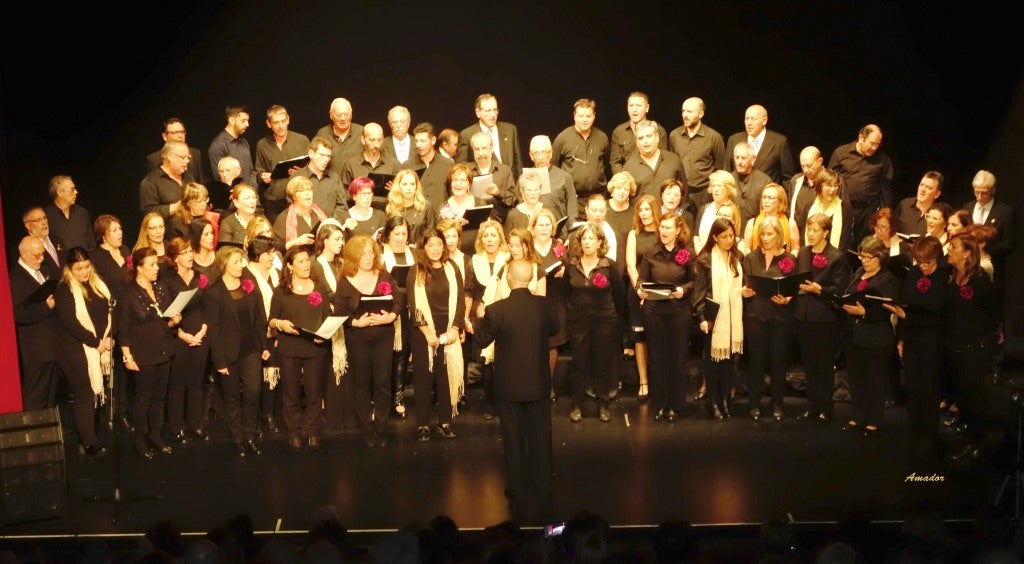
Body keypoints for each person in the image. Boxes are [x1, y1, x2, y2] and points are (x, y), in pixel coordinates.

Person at [474, 259, 557, 512]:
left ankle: (517, 489)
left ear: (509, 278)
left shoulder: (497, 309)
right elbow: (555, 329)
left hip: (508, 388)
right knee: (540, 437)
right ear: (531, 279)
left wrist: (476, 321)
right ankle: (543, 486)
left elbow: (480, 340)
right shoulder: (545, 307)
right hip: (538, 384)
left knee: (512, 439)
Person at [332, 235, 400, 447]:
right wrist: (355, 323)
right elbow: (340, 315)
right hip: (358, 339)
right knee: (361, 383)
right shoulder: (345, 282)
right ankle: (367, 429)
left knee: (382, 382)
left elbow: (398, 302)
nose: (369, 258)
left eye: (371, 253)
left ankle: (381, 426)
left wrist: (391, 316)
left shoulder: (385, 277)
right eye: (364, 254)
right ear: (353, 256)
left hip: (383, 336)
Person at [883, 236, 948, 459]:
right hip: (911, 338)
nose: (923, 266)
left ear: (937, 258)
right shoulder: (913, 274)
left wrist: (907, 315)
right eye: (920, 261)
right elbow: (904, 304)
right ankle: (913, 433)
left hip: (932, 340)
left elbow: (938, 312)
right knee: (912, 387)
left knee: (928, 389)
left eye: (927, 262)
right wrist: (901, 338)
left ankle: (929, 437)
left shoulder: (943, 278)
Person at [203, 245, 270, 458]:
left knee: (253, 392)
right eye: (235, 262)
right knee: (232, 398)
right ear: (224, 265)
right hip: (229, 353)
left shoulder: (248, 286)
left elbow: (260, 318)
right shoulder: (215, 292)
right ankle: (238, 438)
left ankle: (250, 435)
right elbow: (213, 330)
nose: (240, 265)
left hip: (251, 350)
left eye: (241, 261)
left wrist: (263, 347)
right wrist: (219, 361)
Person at [268, 246, 333, 452]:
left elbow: (326, 317)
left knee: (314, 392)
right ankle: (294, 432)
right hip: (290, 347)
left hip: (314, 347)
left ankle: (312, 431)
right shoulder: (280, 291)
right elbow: (271, 320)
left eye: (307, 260)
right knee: (291, 393)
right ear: (289, 266)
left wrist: (325, 335)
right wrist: (281, 324)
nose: (306, 265)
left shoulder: (319, 287)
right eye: (301, 261)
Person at [119, 247, 182, 459]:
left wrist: (174, 320)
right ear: (139, 268)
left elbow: (164, 319)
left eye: (157, 264)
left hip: (164, 349)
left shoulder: (161, 287)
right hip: (143, 353)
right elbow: (124, 329)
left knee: (159, 397)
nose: (157, 268)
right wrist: (127, 357)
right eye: (152, 265)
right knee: (143, 398)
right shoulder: (128, 293)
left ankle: (156, 435)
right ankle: (140, 439)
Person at [53, 247, 113, 460]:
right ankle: (89, 442)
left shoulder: (98, 284)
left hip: (98, 345)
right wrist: (95, 342)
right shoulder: (64, 289)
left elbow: (110, 312)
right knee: (85, 394)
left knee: (93, 393)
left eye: (87, 266)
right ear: (70, 269)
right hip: (74, 349)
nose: (84, 272)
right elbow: (71, 323)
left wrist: (108, 337)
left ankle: (87, 435)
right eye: (79, 269)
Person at [943, 233, 999, 464]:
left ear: (967, 252)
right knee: (961, 395)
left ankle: (982, 444)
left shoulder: (979, 280)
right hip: (954, 346)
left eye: (954, 246)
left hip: (975, 348)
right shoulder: (950, 277)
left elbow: (993, 312)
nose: (949, 249)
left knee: (974, 396)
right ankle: (970, 440)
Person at [406, 228, 466, 441]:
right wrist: (427, 333)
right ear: (423, 247)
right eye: (430, 245)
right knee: (424, 378)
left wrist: (455, 329)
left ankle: (445, 421)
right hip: (423, 330)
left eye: (439, 244)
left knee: (445, 376)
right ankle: (423, 424)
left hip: (448, 327)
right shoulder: (416, 270)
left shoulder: (453, 268)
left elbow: (460, 301)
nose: (435, 249)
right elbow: (413, 305)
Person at [793, 213, 851, 425]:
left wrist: (820, 289)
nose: (810, 233)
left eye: (815, 230)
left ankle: (826, 408)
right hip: (804, 316)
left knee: (824, 365)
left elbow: (840, 290)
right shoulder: (803, 252)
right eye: (809, 229)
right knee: (809, 365)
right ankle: (812, 407)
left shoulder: (837, 257)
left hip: (826, 318)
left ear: (826, 232)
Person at [839, 235, 900, 436]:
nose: (864, 261)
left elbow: (888, 307)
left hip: (875, 337)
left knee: (874, 380)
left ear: (880, 257)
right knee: (856, 379)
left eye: (868, 257)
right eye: (862, 256)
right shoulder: (858, 272)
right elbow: (849, 293)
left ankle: (874, 419)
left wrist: (864, 312)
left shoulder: (888, 278)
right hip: (853, 334)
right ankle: (858, 416)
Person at [637, 213, 695, 422]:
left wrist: (683, 290)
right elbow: (642, 278)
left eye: (668, 228)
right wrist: (639, 290)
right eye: (661, 227)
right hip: (654, 311)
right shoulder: (651, 251)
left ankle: (676, 404)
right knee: (658, 359)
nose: (663, 231)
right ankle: (660, 404)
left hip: (678, 311)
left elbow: (694, 281)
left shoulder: (687, 253)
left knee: (677, 359)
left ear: (678, 230)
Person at [565, 223, 625, 423]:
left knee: (602, 363)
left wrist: (616, 319)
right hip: (578, 322)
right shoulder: (571, 264)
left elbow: (619, 295)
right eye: (585, 239)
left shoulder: (609, 264)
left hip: (605, 321)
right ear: (579, 242)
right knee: (579, 363)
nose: (588, 242)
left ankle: (603, 404)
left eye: (592, 238)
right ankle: (576, 405)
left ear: (600, 242)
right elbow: (566, 292)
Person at [740, 216, 796, 421]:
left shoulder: (789, 259)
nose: (765, 238)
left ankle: (777, 404)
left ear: (779, 235)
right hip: (755, 315)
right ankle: (754, 403)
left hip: (780, 317)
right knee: (756, 361)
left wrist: (788, 298)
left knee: (778, 362)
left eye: (769, 234)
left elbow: (795, 289)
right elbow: (743, 283)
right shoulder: (751, 258)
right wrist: (743, 291)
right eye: (762, 234)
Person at [693, 218, 745, 420]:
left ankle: (725, 400)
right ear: (714, 237)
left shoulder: (737, 256)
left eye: (732, 236)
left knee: (729, 363)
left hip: (733, 317)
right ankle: (713, 401)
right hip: (713, 317)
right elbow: (698, 292)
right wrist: (701, 317)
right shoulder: (705, 259)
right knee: (713, 363)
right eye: (724, 237)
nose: (729, 240)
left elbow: (742, 283)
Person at [161, 236, 210, 446]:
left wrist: (202, 331)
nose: (190, 255)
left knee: (197, 383)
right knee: (178, 384)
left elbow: (209, 306)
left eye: (191, 251)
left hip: (200, 334)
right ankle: (177, 427)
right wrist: (182, 334)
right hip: (179, 337)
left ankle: (196, 424)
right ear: (175, 258)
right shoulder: (168, 281)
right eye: (185, 253)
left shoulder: (200, 277)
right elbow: (167, 313)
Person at [463, 219, 510, 419]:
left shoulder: (509, 259)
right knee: (487, 363)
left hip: (507, 316)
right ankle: (490, 403)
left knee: (506, 361)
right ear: (481, 239)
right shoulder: (474, 261)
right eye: (486, 236)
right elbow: (469, 292)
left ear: (500, 238)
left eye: (493, 235)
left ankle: (505, 402)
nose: (490, 239)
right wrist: (466, 316)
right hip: (482, 317)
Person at [11, 236, 60, 411]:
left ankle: (50, 436)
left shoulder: (43, 270)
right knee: (35, 399)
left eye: (42, 254)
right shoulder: (14, 278)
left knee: (50, 400)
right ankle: (34, 435)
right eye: (36, 255)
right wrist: (46, 307)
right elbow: (16, 313)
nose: (41, 259)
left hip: (52, 347)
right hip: (35, 350)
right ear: (24, 254)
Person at [241, 235, 283, 436]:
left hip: (276, 332)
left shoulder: (276, 273)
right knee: (254, 381)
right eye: (269, 254)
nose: (272, 257)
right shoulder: (246, 276)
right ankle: (255, 418)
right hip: (253, 336)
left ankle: (268, 413)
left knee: (272, 376)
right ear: (258, 256)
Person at [310, 220, 350, 433]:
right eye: (336, 239)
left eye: (342, 239)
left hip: (343, 319)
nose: (341, 243)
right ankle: (331, 415)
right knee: (326, 370)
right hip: (326, 322)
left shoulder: (342, 262)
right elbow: (324, 293)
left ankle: (343, 413)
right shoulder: (316, 264)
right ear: (324, 240)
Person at [828, 124, 894, 243]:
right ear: (861, 137)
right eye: (872, 143)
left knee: (865, 246)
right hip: (842, 208)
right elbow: (829, 180)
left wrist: (884, 216)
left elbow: (886, 190)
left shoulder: (883, 159)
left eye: (877, 145)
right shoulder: (841, 153)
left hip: (868, 211)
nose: (874, 148)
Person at [624, 194, 661, 404]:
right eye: (641, 210)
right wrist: (639, 289)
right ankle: (643, 382)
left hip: (659, 293)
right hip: (637, 292)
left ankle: (657, 381)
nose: (644, 214)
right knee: (639, 340)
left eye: (647, 209)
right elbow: (630, 265)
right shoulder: (634, 234)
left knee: (656, 338)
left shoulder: (662, 232)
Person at [529, 208, 569, 400]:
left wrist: (564, 271)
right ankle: (534, 384)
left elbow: (567, 265)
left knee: (552, 344)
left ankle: (549, 385)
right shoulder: (528, 246)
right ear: (533, 227)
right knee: (534, 343)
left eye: (547, 225)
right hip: (534, 298)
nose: (544, 228)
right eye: (540, 225)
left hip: (555, 298)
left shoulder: (558, 246)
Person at [551, 98, 609, 219]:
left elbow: (607, 166)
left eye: (588, 116)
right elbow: (553, 169)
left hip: (598, 198)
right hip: (573, 199)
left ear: (594, 116)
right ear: (574, 116)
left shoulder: (602, 137)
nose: (584, 119)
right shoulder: (562, 138)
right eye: (581, 115)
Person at [382, 216, 415, 419]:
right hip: (388, 310)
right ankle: (381, 400)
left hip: (410, 310)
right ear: (388, 235)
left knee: (402, 356)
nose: (401, 238)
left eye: (404, 234)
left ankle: (398, 398)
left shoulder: (415, 254)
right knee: (385, 358)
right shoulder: (380, 255)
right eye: (396, 234)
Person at [668, 96, 727, 210]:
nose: (685, 115)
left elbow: (720, 168)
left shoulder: (714, 137)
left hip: (704, 193)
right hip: (681, 193)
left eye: (689, 111)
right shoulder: (674, 135)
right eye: (683, 111)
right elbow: (672, 164)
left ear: (701, 114)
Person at [255, 105, 311, 222]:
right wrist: (263, 176)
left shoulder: (302, 140)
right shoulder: (262, 144)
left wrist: (300, 172)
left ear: (288, 120)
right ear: (268, 123)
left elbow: (311, 168)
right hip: (274, 200)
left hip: (297, 197)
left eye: (283, 121)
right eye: (276, 122)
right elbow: (259, 169)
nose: (280, 126)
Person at [724, 104, 797, 184]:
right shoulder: (734, 140)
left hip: (766, 194)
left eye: (753, 119)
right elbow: (726, 173)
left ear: (764, 120)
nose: (749, 123)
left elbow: (788, 179)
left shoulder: (779, 142)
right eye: (747, 118)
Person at [456, 93, 522, 177]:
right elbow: (461, 168)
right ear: (478, 112)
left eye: (495, 110)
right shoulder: (466, 135)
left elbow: (518, 163)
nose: (493, 115)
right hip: (485, 186)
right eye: (488, 111)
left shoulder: (510, 130)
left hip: (510, 186)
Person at [287, 136, 348, 224]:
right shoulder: (297, 178)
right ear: (311, 153)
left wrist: (330, 224)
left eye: (329, 156)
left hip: (331, 229)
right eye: (322, 155)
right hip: (306, 230)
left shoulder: (335, 178)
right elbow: (292, 208)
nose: (326, 159)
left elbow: (342, 206)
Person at [621, 120, 686, 201]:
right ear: (637, 142)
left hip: (669, 213)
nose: (645, 141)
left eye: (649, 136)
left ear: (657, 137)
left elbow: (684, 193)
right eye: (641, 138)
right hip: (642, 213)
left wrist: (679, 213)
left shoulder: (674, 160)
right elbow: (625, 200)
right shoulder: (629, 167)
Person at [610, 92, 668, 174]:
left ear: (647, 108)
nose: (634, 109)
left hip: (651, 179)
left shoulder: (658, 130)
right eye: (631, 105)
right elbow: (615, 163)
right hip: (628, 181)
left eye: (638, 105)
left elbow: (663, 159)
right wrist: (623, 181)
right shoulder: (619, 132)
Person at [526, 135, 578, 226]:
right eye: (536, 153)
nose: (541, 157)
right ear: (531, 156)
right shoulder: (525, 177)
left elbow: (572, 212)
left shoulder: (564, 177)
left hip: (559, 234)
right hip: (533, 233)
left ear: (550, 154)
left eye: (544, 152)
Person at [467, 130, 517, 224]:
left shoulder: (504, 170)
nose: (481, 153)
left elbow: (514, 200)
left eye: (484, 148)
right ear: (473, 150)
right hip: (474, 225)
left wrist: (498, 192)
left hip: (499, 225)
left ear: (492, 148)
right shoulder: (466, 171)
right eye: (477, 149)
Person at [439, 162, 487, 255]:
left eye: (462, 180)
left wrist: (485, 227)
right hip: (451, 255)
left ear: (469, 184)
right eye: (455, 180)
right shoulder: (443, 207)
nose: (458, 184)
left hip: (477, 254)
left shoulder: (480, 204)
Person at [145, 117, 207, 185]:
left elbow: (201, 183)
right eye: (175, 132)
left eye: (182, 132)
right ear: (164, 136)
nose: (180, 136)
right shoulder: (153, 159)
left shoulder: (195, 154)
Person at [208, 104, 257, 188]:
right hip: (233, 197)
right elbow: (220, 179)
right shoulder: (218, 145)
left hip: (250, 195)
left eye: (247, 120)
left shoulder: (244, 142)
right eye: (243, 120)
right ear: (231, 120)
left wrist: (253, 187)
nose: (247, 124)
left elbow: (251, 170)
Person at [273, 176, 327, 251]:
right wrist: (296, 242)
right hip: (296, 259)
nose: (307, 193)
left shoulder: (321, 213)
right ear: (293, 196)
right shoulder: (283, 218)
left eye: (309, 189)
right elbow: (275, 247)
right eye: (302, 191)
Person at [805, 169, 854, 252]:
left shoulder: (844, 208)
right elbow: (804, 234)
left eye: (835, 185)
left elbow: (845, 240)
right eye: (828, 185)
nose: (832, 190)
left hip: (834, 258)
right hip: (810, 255)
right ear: (820, 186)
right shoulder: (809, 206)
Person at [140, 140, 192, 219]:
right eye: (183, 157)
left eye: (188, 157)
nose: (187, 161)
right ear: (170, 156)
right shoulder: (150, 182)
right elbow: (148, 212)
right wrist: (176, 207)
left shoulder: (188, 176)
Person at [743, 183, 801, 253]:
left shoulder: (790, 224)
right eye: (764, 197)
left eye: (770, 198)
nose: (766, 201)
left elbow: (795, 249)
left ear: (780, 202)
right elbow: (746, 248)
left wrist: (787, 263)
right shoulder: (751, 223)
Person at [315, 98, 364, 177]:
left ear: (351, 114)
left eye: (346, 114)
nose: (343, 118)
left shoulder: (362, 132)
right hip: (330, 184)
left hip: (355, 185)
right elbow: (314, 160)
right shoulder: (323, 134)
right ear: (331, 115)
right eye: (339, 115)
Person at [407, 122, 454, 205]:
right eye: (416, 141)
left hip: (442, 215)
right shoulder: (407, 166)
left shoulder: (447, 164)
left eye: (423, 141)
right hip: (416, 216)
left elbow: (453, 193)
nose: (418, 145)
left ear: (433, 140)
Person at [386, 168, 436, 244]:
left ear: (416, 186)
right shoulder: (392, 207)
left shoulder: (426, 206)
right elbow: (388, 236)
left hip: (421, 251)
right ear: (398, 186)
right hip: (399, 250)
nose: (409, 188)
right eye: (404, 184)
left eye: (412, 184)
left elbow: (432, 233)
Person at [44, 175, 94, 252]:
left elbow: (91, 244)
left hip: (84, 262)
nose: (76, 192)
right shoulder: (46, 216)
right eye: (72, 189)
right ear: (60, 193)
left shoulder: (82, 213)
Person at [693, 170, 740, 252]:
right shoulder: (704, 209)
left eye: (719, 186)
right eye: (713, 186)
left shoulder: (735, 210)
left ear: (728, 189)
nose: (716, 190)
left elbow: (738, 238)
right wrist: (702, 256)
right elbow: (696, 237)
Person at [786, 146, 829, 235]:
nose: (806, 170)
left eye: (809, 166)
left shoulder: (832, 182)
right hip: (798, 235)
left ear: (820, 161)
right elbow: (790, 209)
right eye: (803, 166)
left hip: (823, 236)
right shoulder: (796, 181)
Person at [730, 142, 773, 222]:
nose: (739, 162)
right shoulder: (729, 179)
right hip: (731, 228)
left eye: (743, 158)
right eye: (737, 157)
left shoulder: (765, 181)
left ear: (753, 159)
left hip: (755, 227)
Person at [894, 171, 944, 237]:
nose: (922, 190)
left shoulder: (940, 212)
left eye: (929, 188)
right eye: (921, 185)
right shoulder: (904, 205)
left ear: (937, 194)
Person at [504, 169, 547, 235]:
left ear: (540, 190)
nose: (533, 193)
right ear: (522, 191)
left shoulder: (547, 210)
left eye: (536, 190)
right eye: (529, 190)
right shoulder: (513, 215)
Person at [23, 206, 63, 279]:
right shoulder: (26, 248)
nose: (44, 222)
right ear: (28, 226)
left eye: (45, 218)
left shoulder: (57, 240)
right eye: (38, 220)